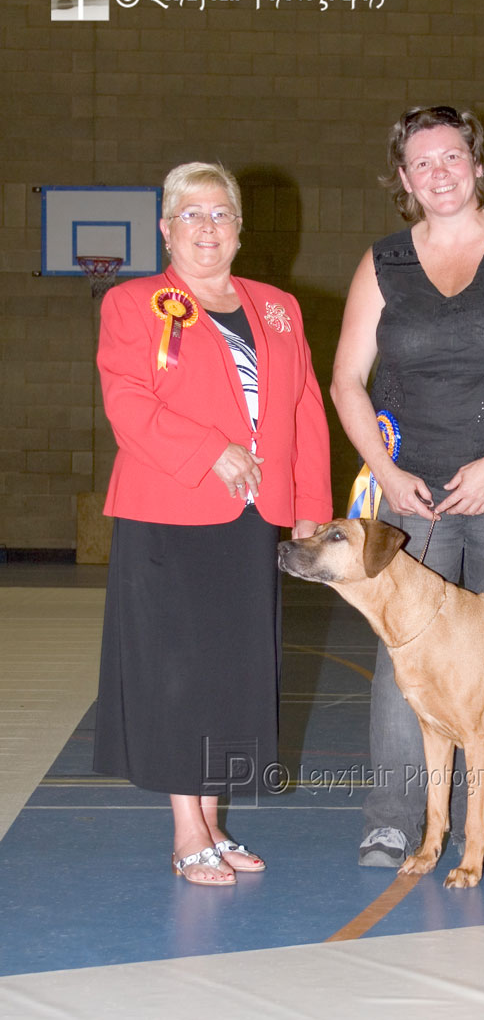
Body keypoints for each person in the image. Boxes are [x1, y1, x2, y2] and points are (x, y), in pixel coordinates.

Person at [331, 106, 484, 868]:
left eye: (451, 157)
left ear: (476, 165)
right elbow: (345, 381)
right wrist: (386, 472)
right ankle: (392, 819)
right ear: (403, 180)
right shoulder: (383, 263)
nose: (438, 173)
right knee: (404, 650)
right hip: (412, 492)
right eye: (421, 163)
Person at [93, 161, 332, 886]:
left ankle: (214, 821)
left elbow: (304, 406)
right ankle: (186, 832)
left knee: (232, 676)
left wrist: (311, 507)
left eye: (220, 212)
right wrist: (209, 452)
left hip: (254, 518)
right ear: (166, 229)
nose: (207, 226)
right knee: (179, 675)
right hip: (169, 513)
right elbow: (127, 401)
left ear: (239, 228)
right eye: (191, 214)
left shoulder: (279, 308)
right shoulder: (134, 302)